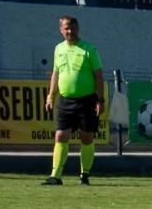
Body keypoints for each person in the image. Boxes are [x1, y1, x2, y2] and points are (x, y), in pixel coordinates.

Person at [41, 15, 104, 187]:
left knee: (86, 137)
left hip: (87, 101)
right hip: (66, 101)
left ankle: (84, 175)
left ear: (78, 29)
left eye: (73, 28)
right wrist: (50, 96)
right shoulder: (58, 49)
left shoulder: (89, 49)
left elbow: (98, 75)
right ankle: (56, 175)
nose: (70, 31)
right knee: (60, 136)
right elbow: (55, 73)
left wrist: (100, 99)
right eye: (66, 28)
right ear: (61, 30)